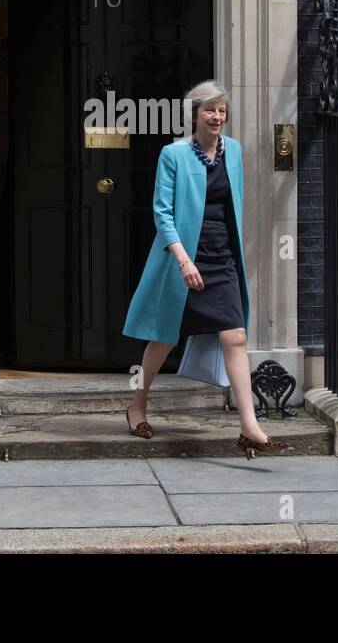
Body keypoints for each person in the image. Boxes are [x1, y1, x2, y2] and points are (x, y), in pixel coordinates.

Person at [121, 80, 290, 458]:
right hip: (182, 258)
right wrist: (183, 260)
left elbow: (234, 208)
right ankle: (138, 405)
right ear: (194, 114)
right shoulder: (174, 154)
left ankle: (249, 426)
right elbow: (162, 214)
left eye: (222, 111)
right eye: (210, 110)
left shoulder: (235, 153)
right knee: (164, 338)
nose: (217, 117)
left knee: (236, 337)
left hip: (221, 258)